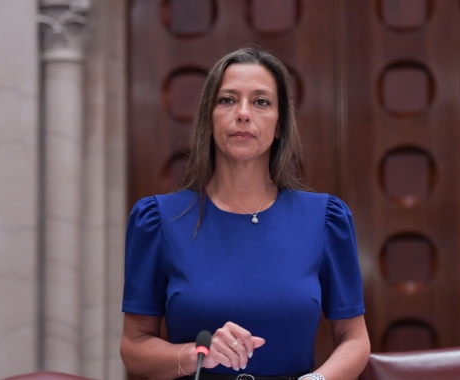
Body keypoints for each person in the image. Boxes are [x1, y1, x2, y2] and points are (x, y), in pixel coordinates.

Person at [120, 47, 370, 380]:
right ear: (209, 120)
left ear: (280, 125)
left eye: (261, 102)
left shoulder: (324, 218)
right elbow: (133, 347)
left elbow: (355, 339)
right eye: (227, 100)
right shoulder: (159, 219)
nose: (242, 113)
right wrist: (197, 354)